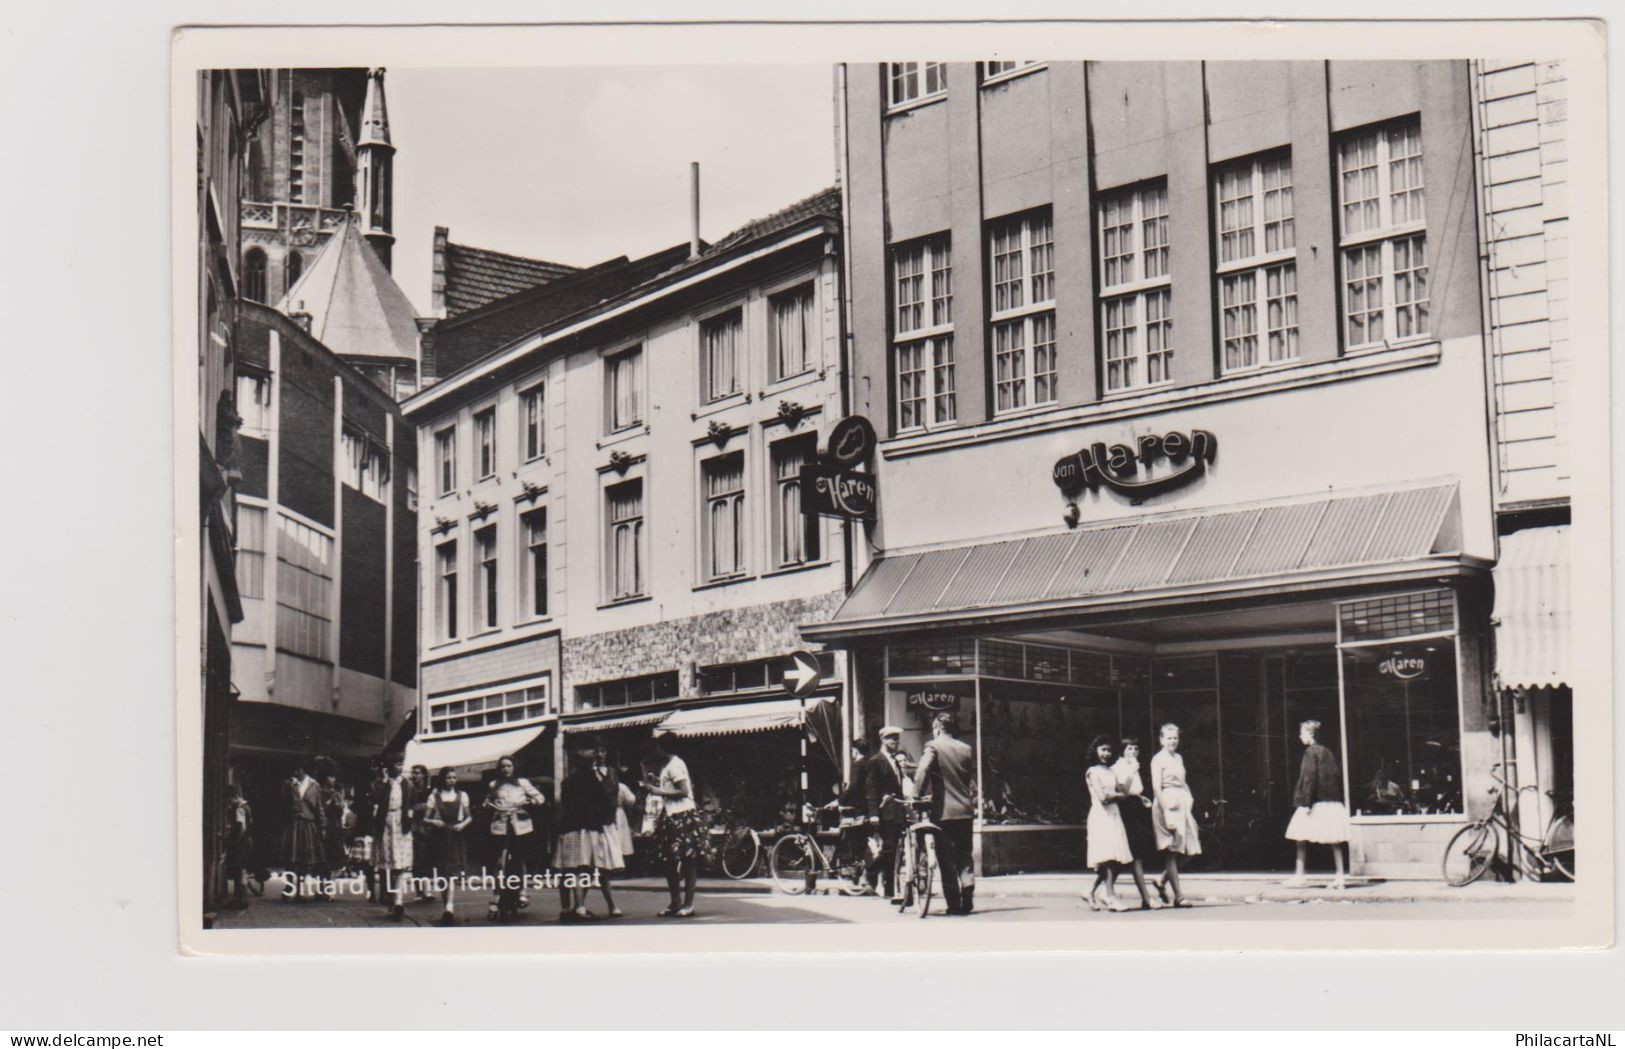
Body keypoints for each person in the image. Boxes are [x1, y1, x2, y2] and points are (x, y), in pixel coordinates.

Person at [913, 712, 977, 916]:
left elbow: (923, 770)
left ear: (937, 728)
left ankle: (954, 904)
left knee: (946, 858)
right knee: (965, 855)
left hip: (944, 813)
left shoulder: (933, 746)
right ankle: (968, 890)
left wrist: (916, 795)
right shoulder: (966, 748)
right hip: (965, 811)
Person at [1084, 737, 1156, 912]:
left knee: (1116, 857)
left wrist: (1124, 787)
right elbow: (1103, 798)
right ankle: (1110, 897)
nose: (1106, 754)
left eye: (1109, 750)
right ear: (1095, 751)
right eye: (1103, 750)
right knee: (1108, 858)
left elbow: (1122, 794)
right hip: (1102, 816)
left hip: (1114, 816)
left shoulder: (1111, 772)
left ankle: (1096, 892)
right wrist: (1116, 794)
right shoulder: (1092, 772)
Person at [554, 737, 622, 922]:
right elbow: (604, 801)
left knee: (568, 870)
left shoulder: (567, 781)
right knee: (584, 869)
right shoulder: (593, 780)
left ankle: (566, 908)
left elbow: (564, 804)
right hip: (588, 828)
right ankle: (580, 908)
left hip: (568, 828)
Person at [643, 733, 706, 918]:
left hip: (681, 814)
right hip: (672, 815)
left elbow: (684, 791)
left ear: (661, 748)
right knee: (670, 860)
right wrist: (659, 783)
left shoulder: (675, 764)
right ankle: (676, 902)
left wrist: (658, 790)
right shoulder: (670, 765)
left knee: (687, 860)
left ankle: (687, 903)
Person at [1284, 719, 1350, 890]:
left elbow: (1309, 778)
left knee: (1300, 838)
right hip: (1330, 801)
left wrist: (1306, 802)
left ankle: (1299, 876)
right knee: (1334, 840)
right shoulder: (1328, 752)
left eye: (1302, 733)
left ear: (1311, 734)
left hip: (1315, 802)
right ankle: (1340, 876)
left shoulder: (1310, 752)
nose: (1299, 736)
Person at [482, 754, 546, 919]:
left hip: (520, 825)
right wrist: (487, 805)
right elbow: (487, 800)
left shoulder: (522, 783)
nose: (505, 769)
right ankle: (496, 897)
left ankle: (522, 892)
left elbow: (540, 797)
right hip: (501, 825)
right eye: (502, 766)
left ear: (514, 767)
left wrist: (531, 802)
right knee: (499, 862)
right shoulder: (494, 784)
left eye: (508, 766)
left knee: (520, 859)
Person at [1150, 722, 1200, 908]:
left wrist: (1190, 798)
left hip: (1182, 803)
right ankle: (1179, 896)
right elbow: (1156, 787)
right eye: (1169, 738)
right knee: (1172, 851)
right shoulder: (1158, 759)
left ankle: (1161, 880)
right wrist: (1166, 811)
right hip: (1167, 803)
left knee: (1191, 848)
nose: (1173, 741)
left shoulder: (1178, 758)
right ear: (1162, 739)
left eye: (1175, 738)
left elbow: (1183, 782)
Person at [862, 725, 911, 900]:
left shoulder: (896, 761)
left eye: (897, 738)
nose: (895, 741)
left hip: (897, 812)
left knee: (894, 849)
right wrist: (873, 813)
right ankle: (873, 873)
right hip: (885, 812)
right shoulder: (875, 761)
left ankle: (889, 888)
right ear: (882, 740)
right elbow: (872, 789)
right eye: (891, 738)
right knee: (890, 848)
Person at [369, 751, 421, 920]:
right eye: (397, 764)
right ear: (390, 766)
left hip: (401, 825)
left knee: (400, 864)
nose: (400, 767)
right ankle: (389, 899)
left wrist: (409, 818)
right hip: (385, 825)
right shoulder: (381, 783)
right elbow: (375, 800)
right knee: (386, 865)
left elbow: (413, 803)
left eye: (401, 764)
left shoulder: (406, 784)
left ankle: (398, 902)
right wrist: (384, 782)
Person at [420, 767, 472, 926]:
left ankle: (449, 907)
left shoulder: (462, 796)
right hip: (440, 838)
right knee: (443, 873)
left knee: (451, 873)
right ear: (443, 779)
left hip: (456, 836)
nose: (452, 780)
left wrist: (462, 824)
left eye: (454, 777)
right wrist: (434, 822)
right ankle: (447, 906)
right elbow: (425, 819)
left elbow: (469, 816)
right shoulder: (434, 797)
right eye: (449, 777)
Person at [277, 759, 325, 900]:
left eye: (297, 770)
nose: (294, 773)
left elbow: (319, 807)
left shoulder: (314, 786)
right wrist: (288, 789)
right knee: (290, 859)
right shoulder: (290, 784)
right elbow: (282, 803)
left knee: (305, 859)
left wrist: (322, 826)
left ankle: (301, 889)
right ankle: (289, 886)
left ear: (302, 770)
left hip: (308, 823)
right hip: (293, 823)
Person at [314, 758, 348, 892]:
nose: (332, 780)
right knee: (322, 860)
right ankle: (321, 887)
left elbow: (341, 812)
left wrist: (338, 803)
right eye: (330, 776)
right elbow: (319, 809)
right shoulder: (319, 792)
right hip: (324, 827)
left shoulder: (337, 793)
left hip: (335, 828)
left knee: (334, 860)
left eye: (334, 776)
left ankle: (329, 888)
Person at [223, 784, 256, 909]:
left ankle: (240, 900)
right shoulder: (246, 807)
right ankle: (242, 899)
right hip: (247, 842)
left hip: (241, 843)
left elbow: (241, 827)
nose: (229, 802)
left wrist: (232, 840)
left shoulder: (239, 809)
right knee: (242, 871)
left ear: (236, 796)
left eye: (230, 799)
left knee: (239, 871)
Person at [409, 764, 435, 901]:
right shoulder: (410, 790)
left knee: (426, 859)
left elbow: (432, 806)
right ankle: (420, 892)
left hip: (427, 828)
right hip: (414, 828)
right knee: (417, 860)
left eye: (417, 773)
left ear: (424, 775)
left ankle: (427, 890)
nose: (414, 776)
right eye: (413, 773)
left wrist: (419, 808)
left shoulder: (429, 791)